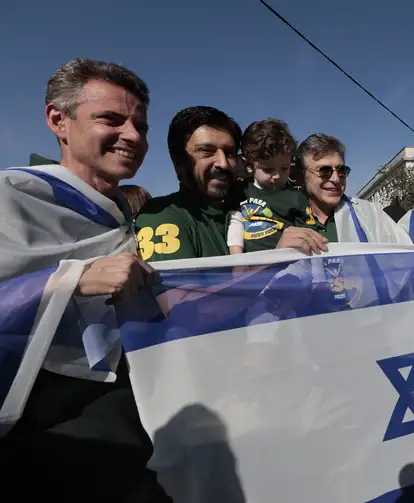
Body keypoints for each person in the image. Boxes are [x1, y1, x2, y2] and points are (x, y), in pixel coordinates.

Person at [0, 58, 167, 501]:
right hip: (44, 428)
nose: (133, 136)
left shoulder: (125, 219)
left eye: (141, 126)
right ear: (59, 120)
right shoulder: (12, 197)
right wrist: (69, 280)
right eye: (110, 119)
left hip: (134, 414)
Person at [136, 106, 243, 262]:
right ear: (178, 161)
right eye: (206, 151)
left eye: (229, 153)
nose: (223, 163)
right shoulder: (162, 215)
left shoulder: (251, 209)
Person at [291, 133, 413, 248]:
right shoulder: (285, 218)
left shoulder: (367, 214)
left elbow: (406, 253)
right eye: (324, 171)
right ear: (301, 174)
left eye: (341, 170)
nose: (336, 179)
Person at [227, 119, 309, 254]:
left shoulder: (297, 197)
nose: (277, 176)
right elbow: (236, 222)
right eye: (268, 170)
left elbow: (306, 236)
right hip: (251, 264)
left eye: (284, 168)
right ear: (248, 165)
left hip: (289, 262)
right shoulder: (241, 191)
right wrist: (237, 259)